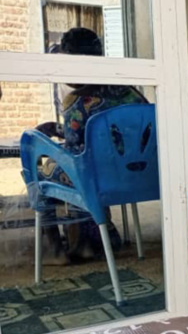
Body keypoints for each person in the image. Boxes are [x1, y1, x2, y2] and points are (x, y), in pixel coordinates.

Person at [37, 27, 148, 263]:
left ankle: (58, 249)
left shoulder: (77, 102)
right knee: (90, 163)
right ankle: (100, 234)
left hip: (100, 178)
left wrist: (47, 143)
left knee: (43, 172)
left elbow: (75, 151)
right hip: (140, 175)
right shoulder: (130, 93)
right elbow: (117, 132)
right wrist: (58, 128)